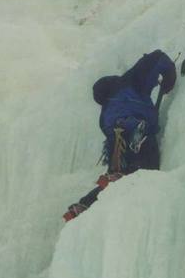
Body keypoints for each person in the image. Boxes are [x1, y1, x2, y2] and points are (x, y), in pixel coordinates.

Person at [63, 49, 176, 221]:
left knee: (119, 176)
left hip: (116, 143)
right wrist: (170, 76)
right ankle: (115, 177)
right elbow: (158, 58)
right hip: (138, 132)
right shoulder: (130, 82)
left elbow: (110, 135)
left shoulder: (106, 111)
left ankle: (85, 204)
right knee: (147, 172)